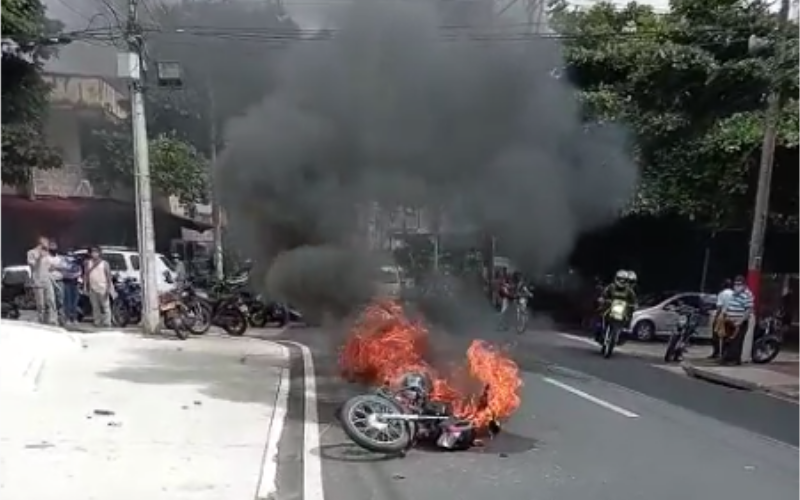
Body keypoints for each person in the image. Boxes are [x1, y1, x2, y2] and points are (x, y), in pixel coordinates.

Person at [719, 275, 754, 366]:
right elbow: (730, 305)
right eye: (735, 284)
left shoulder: (747, 295)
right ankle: (726, 358)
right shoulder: (733, 294)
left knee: (736, 341)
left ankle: (734, 360)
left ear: (744, 285)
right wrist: (725, 314)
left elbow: (748, 309)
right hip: (730, 321)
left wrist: (741, 321)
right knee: (727, 340)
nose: (737, 286)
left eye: (739, 284)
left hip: (739, 322)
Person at [595, 270, 637, 342]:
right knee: (601, 312)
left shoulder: (629, 290)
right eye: (620, 279)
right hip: (610, 307)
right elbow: (604, 294)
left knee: (629, 316)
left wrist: (634, 305)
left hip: (622, 310)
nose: (621, 281)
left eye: (624, 280)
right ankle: (599, 328)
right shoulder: (611, 287)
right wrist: (602, 299)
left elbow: (633, 300)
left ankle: (623, 332)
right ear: (616, 278)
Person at [27, 236, 57, 325]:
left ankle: (53, 320)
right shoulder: (31, 252)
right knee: (41, 304)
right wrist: (39, 257)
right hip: (38, 281)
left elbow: (50, 266)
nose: (48, 244)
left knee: (51, 300)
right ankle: (41, 321)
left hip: (47, 280)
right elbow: (32, 265)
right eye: (46, 242)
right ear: (40, 243)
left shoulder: (47, 253)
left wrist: (52, 267)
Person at [83, 246, 116, 327]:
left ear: (99, 253)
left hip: (103, 287)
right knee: (95, 306)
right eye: (93, 252)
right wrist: (85, 286)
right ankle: (97, 322)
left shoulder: (104, 263)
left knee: (105, 306)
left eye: (96, 252)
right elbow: (86, 275)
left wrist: (109, 288)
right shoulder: (88, 263)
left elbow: (108, 276)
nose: (94, 254)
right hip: (92, 287)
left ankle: (107, 322)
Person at [709, 279, 734, 359]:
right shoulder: (734, 294)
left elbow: (719, 307)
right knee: (728, 335)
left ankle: (716, 352)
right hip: (733, 315)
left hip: (723, 315)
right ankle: (725, 353)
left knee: (716, 333)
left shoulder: (722, 294)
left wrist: (716, 318)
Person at [61, 251, 83, 326]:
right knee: (68, 302)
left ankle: (74, 318)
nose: (70, 258)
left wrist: (74, 273)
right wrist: (72, 273)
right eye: (69, 256)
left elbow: (79, 272)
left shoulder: (77, 263)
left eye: (72, 256)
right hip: (67, 283)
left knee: (75, 302)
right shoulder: (63, 262)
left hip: (75, 284)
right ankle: (67, 318)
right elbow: (65, 273)